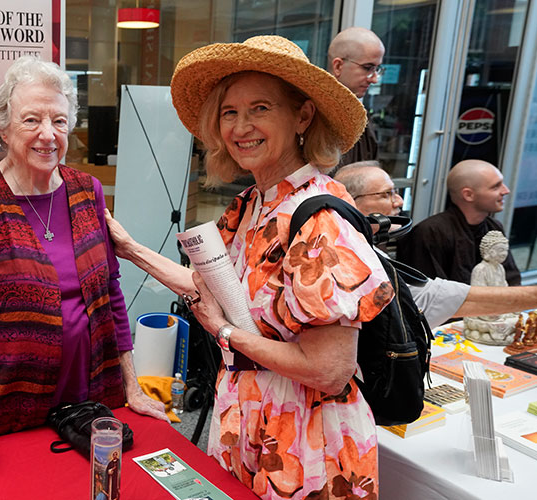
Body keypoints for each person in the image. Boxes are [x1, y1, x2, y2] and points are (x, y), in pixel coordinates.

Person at [105, 36, 393, 499]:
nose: (242, 127)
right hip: (249, 424)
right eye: (230, 112)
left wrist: (225, 335)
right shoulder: (252, 205)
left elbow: (329, 371)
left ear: (302, 116)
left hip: (308, 442)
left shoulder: (319, 218)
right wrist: (130, 249)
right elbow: (211, 291)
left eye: (261, 108)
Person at [0, 56, 167, 488]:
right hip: (12, 412)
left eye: (59, 120)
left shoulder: (86, 191)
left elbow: (110, 292)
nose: (47, 134)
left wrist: (132, 387)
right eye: (31, 120)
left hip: (94, 400)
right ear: (3, 129)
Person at [336, 162, 537, 328]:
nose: (399, 202)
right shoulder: (343, 256)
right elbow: (430, 298)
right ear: (348, 202)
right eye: (386, 194)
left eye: (396, 192)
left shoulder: (371, 251)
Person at [397, 159, 521, 286]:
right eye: (496, 186)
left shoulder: (494, 227)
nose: (506, 191)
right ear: (468, 195)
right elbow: (430, 293)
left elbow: (511, 278)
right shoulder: (430, 233)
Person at [327, 27, 385, 167]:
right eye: (367, 68)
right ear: (338, 66)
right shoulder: (310, 115)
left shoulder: (361, 118)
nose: (374, 79)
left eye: (377, 69)